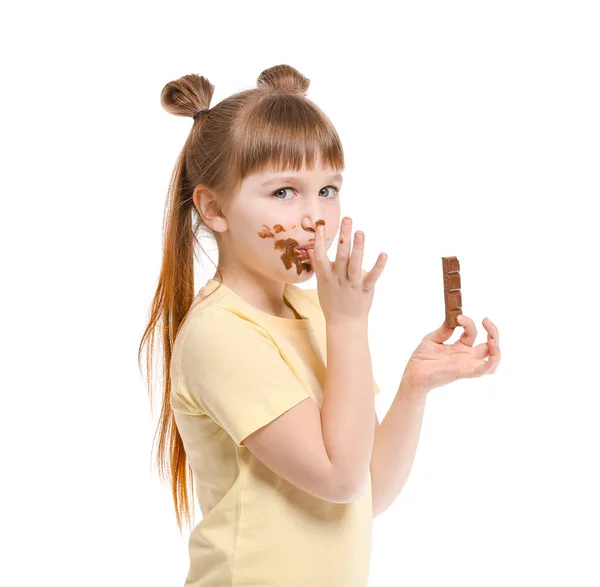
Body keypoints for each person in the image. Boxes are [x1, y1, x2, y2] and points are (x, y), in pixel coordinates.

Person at [138, 64, 502, 587]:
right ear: (213, 208)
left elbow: (367, 486)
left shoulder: (312, 313)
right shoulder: (221, 334)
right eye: (284, 192)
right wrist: (349, 324)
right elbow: (339, 479)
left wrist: (413, 387)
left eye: (328, 189)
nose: (316, 217)